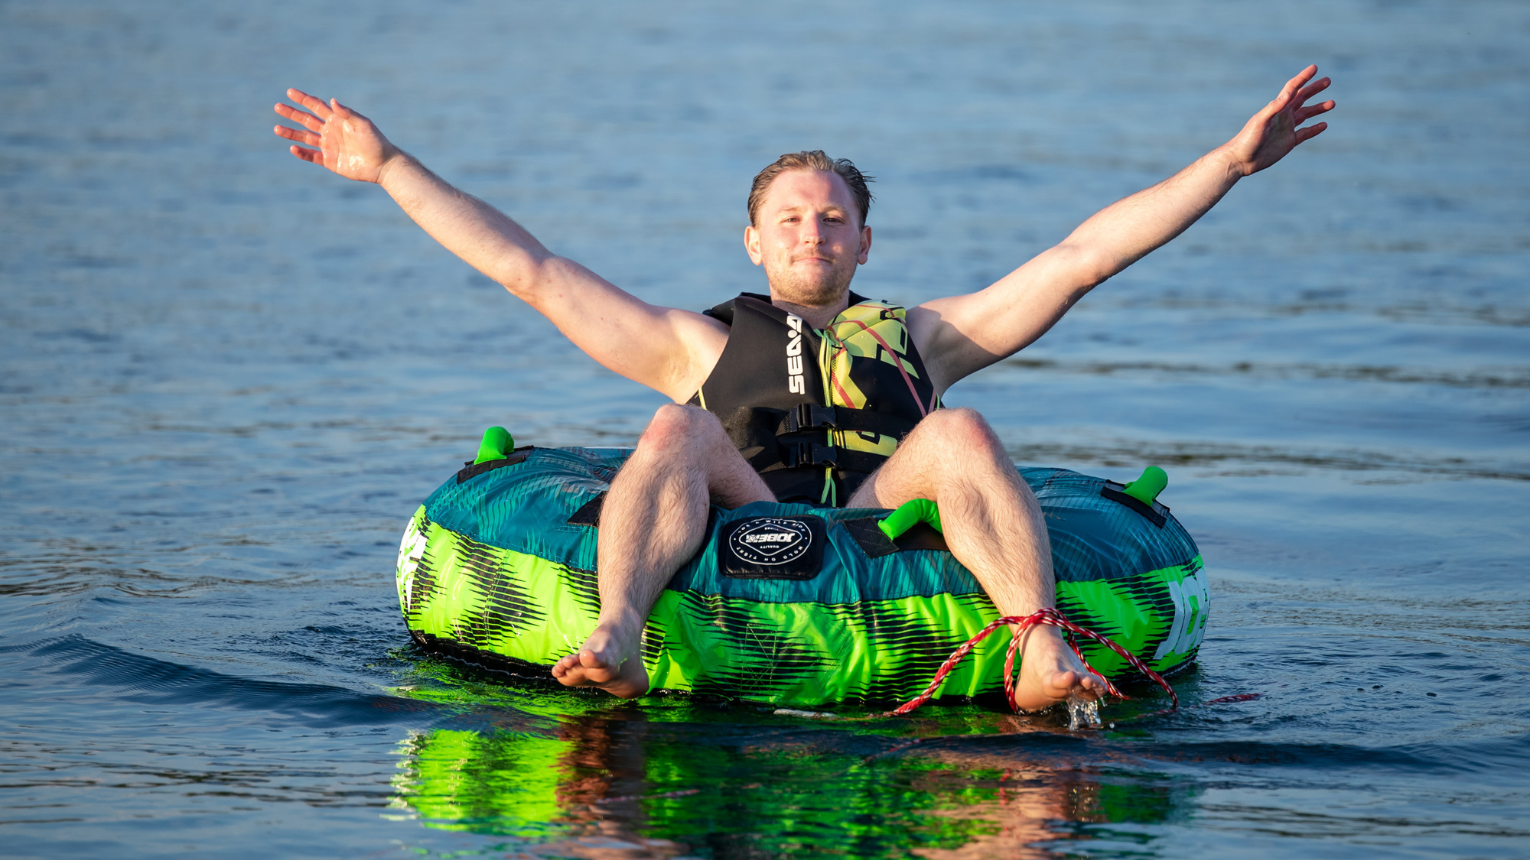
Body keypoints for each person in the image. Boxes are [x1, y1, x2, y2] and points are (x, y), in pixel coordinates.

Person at [274, 66, 1334, 711]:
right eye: (791, 217)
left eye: (833, 218)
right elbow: (532, 269)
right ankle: (620, 631)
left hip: (879, 526)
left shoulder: (928, 337)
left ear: (865, 239)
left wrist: (1228, 164)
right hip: (753, 509)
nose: (813, 232)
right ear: (754, 239)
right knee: (672, 429)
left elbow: (1079, 257)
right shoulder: (697, 342)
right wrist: (390, 165)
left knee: (960, 432)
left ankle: (1038, 642)